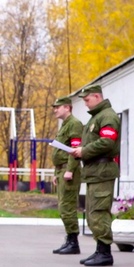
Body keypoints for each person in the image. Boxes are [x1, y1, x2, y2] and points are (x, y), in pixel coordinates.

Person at [71, 84, 120, 267]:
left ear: (97, 97)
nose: (85, 104)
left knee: (99, 211)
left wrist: (84, 151)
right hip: (94, 172)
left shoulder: (108, 116)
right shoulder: (97, 117)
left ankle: (105, 252)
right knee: (92, 213)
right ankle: (100, 250)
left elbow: (107, 142)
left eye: (87, 100)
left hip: (102, 171)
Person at [50, 96, 83, 255]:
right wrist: (57, 173)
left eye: (58, 107)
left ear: (67, 107)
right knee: (63, 207)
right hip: (62, 170)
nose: (55, 110)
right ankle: (69, 239)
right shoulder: (65, 125)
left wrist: (70, 170)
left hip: (69, 171)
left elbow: (75, 150)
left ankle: (73, 241)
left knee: (68, 207)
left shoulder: (74, 124)